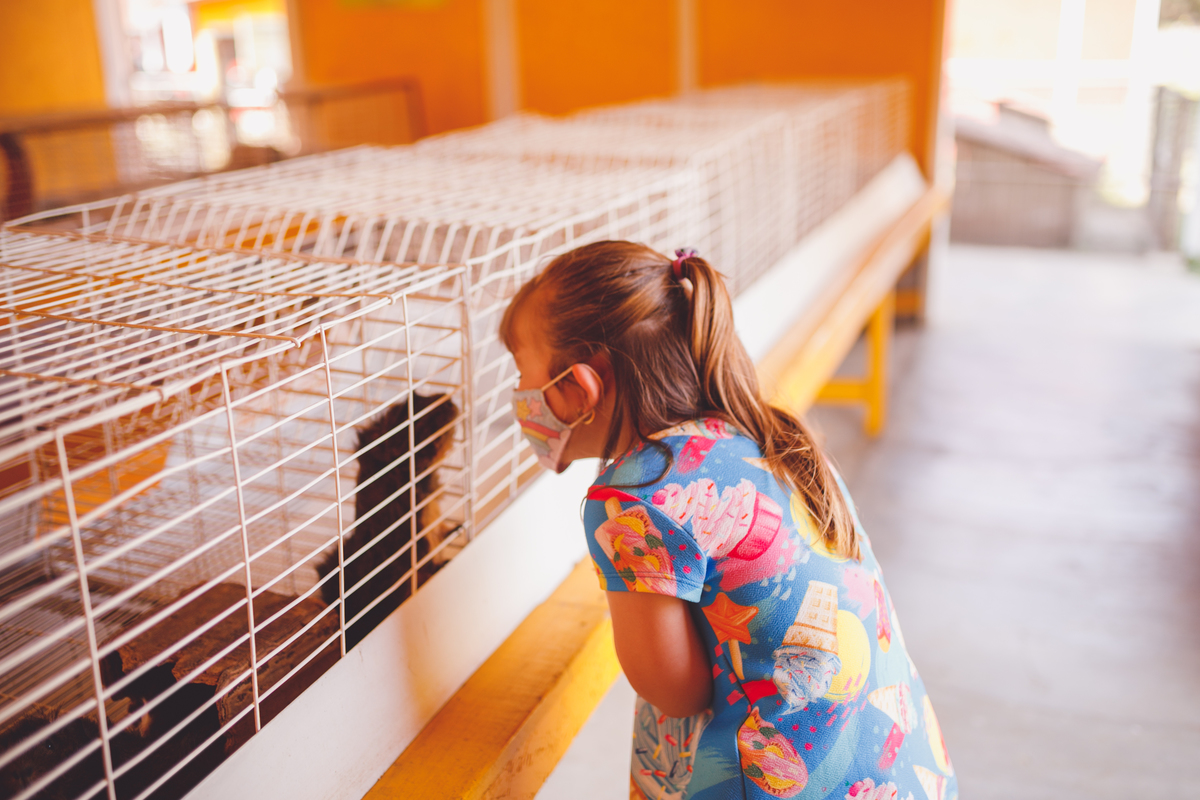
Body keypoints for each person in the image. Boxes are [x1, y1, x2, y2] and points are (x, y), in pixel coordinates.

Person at [501, 241, 956, 800]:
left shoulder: (633, 498)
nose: (520, 396)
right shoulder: (770, 435)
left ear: (579, 387)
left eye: (521, 374)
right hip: (902, 772)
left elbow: (675, 693)